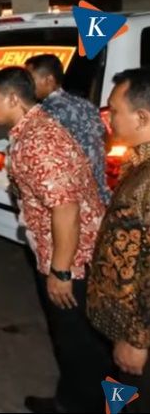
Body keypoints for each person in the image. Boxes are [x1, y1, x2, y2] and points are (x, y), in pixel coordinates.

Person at [0, 67, 113, 413]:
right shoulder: (36, 127)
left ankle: (76, 405)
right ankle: (86, 400)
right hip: (71, 250)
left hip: (73, 258)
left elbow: (66, 209)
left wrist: (61, 272)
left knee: (77, 344)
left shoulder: (37, 142)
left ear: (13, 99)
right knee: (84, 342)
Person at [88, 68, 150, 414]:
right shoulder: (138, 161)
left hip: (138, 339)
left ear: (141, 117)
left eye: (113, 110)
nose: (107, 118)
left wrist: (138, 340)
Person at [25, 54, 111, 204]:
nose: (27, 86)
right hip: (98, 195)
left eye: (30, 80)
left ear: (49, 80)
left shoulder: (47, 111)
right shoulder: (85, 104)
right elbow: (105, 141)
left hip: (72, 200)